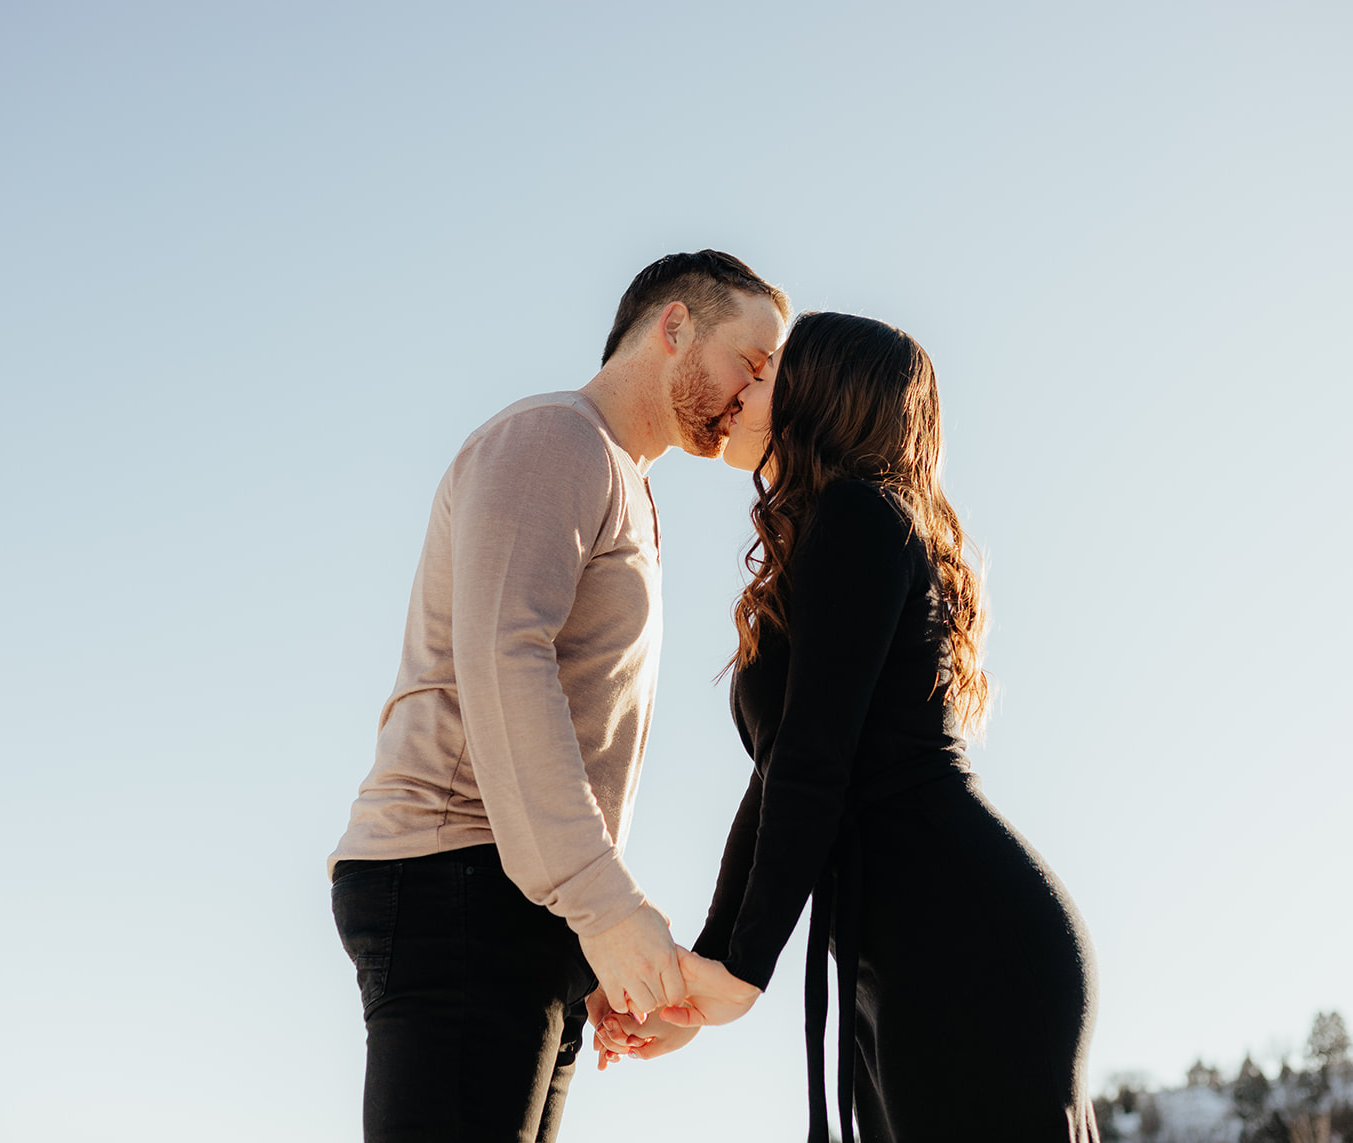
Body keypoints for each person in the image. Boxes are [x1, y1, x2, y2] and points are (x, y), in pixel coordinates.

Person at [596, 311, 1101, 1143]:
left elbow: (811, 762)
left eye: (766, 370)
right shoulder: (837, 536)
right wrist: (707, 975)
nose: (743, 387)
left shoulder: (860, 519)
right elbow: (779, 777)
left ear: (818, 395)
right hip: (904, 958)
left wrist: (743, 970)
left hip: (965, 946)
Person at [326, 249, 790, 1142]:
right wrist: (606, 909)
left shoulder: (622, 478)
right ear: (674, 325)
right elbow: (507, 661)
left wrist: (589, 950)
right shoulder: (555, 438)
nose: (757, 390)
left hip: (517, 903)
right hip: (455, 874)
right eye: (754, 360)